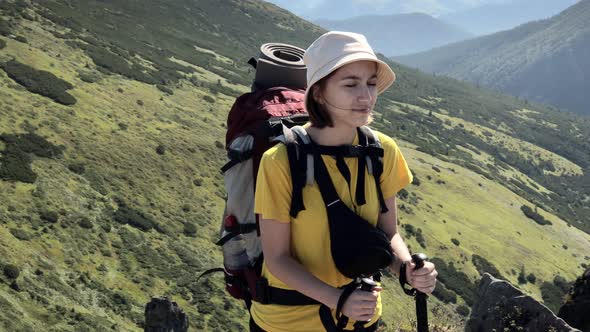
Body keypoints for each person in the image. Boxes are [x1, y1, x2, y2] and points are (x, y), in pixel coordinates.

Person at [251, 31, 438, 332]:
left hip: (361, 316)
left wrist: (406, 269)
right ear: (319, 93)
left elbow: (388, 234)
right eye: (351, 84)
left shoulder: (381, 150)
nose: (366, 96)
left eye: (371, 84)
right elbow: (277, 259)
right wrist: (336, 299)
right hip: (288, 322)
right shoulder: (280, 161)